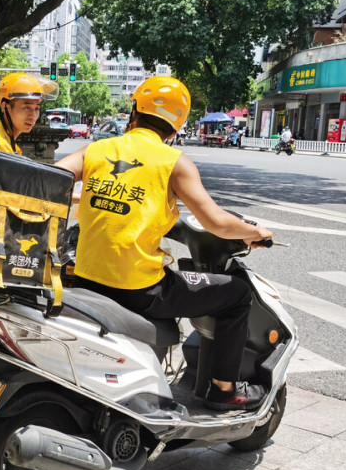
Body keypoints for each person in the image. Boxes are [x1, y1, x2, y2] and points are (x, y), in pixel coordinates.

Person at [56, 76, 273, 411]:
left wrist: (87, 196)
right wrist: (254, 232)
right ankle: (223, 389)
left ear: (134, 111)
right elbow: (216, 222)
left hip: (85, 279)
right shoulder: (174, 162)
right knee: (237, 294)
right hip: (139, 291)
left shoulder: (97, 150)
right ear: (176, 127)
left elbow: (50, 179)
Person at [0, 72, 58, 154]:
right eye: (27, 108)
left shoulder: (9, 144)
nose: (33, 116)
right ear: (5, 107)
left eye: (36, 108)